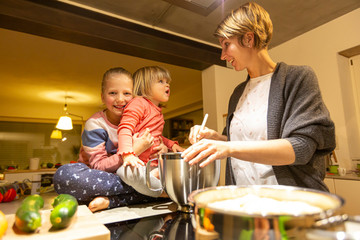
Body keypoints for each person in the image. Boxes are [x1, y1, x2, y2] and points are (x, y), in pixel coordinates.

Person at [181, 2, 335, 192]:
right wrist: (217, 138)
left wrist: (227, 148)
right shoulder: (238, 93)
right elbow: (241, 141)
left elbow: (301, 148)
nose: (222, 55)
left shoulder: (298, 78)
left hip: (290, 202)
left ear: (248, 39)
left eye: (227, 45)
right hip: (247, 202)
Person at [54, 67, 169, 212]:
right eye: (113, 93)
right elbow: (98, 166)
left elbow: (156, 137)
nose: (120, 99)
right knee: (65, 175)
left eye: (127, 93)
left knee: (168, 173)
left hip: (132, 175)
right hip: (101, 178)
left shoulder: (137, 117)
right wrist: (134, 150)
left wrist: (163, 147)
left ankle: (117, 199)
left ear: (135, 96)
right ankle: (150, 190)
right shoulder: (94, 124)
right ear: (102, 97)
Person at [116, 66, 184, 197]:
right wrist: (128, 155)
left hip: (154, 165)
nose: (167, 85)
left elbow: (157, 136)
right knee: (126, 172)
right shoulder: (138, 103)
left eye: (167, 81)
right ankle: (163, 191)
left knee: (182, 167)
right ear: (145, 86)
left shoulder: (158, 112)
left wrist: (171, 145)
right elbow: (124, 128)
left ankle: (154, 182)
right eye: (161, 81)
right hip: (138, 164)